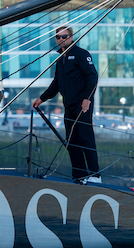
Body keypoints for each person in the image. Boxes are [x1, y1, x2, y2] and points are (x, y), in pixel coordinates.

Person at [32, 26, 100, 183]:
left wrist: (87, 99)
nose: (61, 39)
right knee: (72, 140)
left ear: (71, 37)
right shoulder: (60, 60)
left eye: (64, 36)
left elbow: (92, 77)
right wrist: (42, 99)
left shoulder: (81, 54)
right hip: (68, 105)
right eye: (58, 37)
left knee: (85, 137)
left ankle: (96, 175)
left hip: (82, 104)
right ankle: (79, 175)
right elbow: (57, 83)